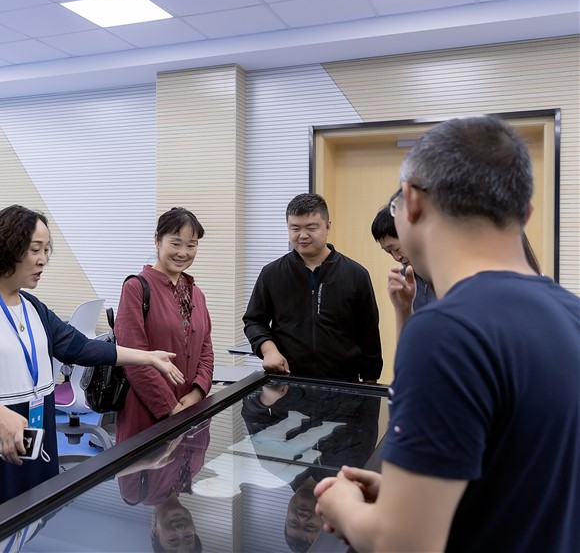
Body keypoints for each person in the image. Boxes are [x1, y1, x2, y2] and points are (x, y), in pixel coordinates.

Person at [314, 116, 580, 552]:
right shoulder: (572, 313)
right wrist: (406, 497)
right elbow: (526, 482)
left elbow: (402, 545)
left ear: (412, 202)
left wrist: (341, 504)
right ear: (525, 213)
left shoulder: (446, 331)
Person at [0, 204, 185, 532]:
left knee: (35, 530)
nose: (43, 260)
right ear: (8, 248)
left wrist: (147, 357)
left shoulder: (31, 306)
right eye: (35, 250)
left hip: (35, 436)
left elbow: (80, 347)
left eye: (46, 250)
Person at [242, 193, 382, 382]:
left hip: (343, 384)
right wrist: (269, 350)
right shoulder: (271, 273)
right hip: (287, 382)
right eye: (295, 228)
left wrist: (370, 381)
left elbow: (369, 334)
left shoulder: (356, 274)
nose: (303, 235)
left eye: (311, 228)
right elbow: (254, 321)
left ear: (327, 226)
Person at [241, 380, 380, 552]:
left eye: (293, 522)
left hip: (293, 372)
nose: (301, 517)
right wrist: (370, 377)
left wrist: (265, 398)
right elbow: (369, 407)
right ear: (327, 523)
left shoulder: (273, 464)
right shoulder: (352, 471)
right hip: (343, 372)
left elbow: (251, 412)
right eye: (310, 526)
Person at [114, 207, 214, 443]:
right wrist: (171, 408)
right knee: (147, 465)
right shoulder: (136, 288)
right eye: (176, 243)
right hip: (146, 414)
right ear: (157, 241)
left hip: (190, 411)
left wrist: (197, 393)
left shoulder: (196, 294)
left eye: (191, 245)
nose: (183, 252)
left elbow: (206, 351)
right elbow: (132, 358)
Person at [117, 422, 211, 553]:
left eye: (173, 540)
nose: (180, 529)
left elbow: (131, 421)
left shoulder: (134, 493)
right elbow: (204, 420)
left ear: (155, 534)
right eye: (188, 536)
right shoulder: (195, 468)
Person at [370, 205, 437, 339]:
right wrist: (402, 309)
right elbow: (406, 340)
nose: (396, 257)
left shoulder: (450, 272)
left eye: (396, 249)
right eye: (389, 252)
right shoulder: (404, 279)